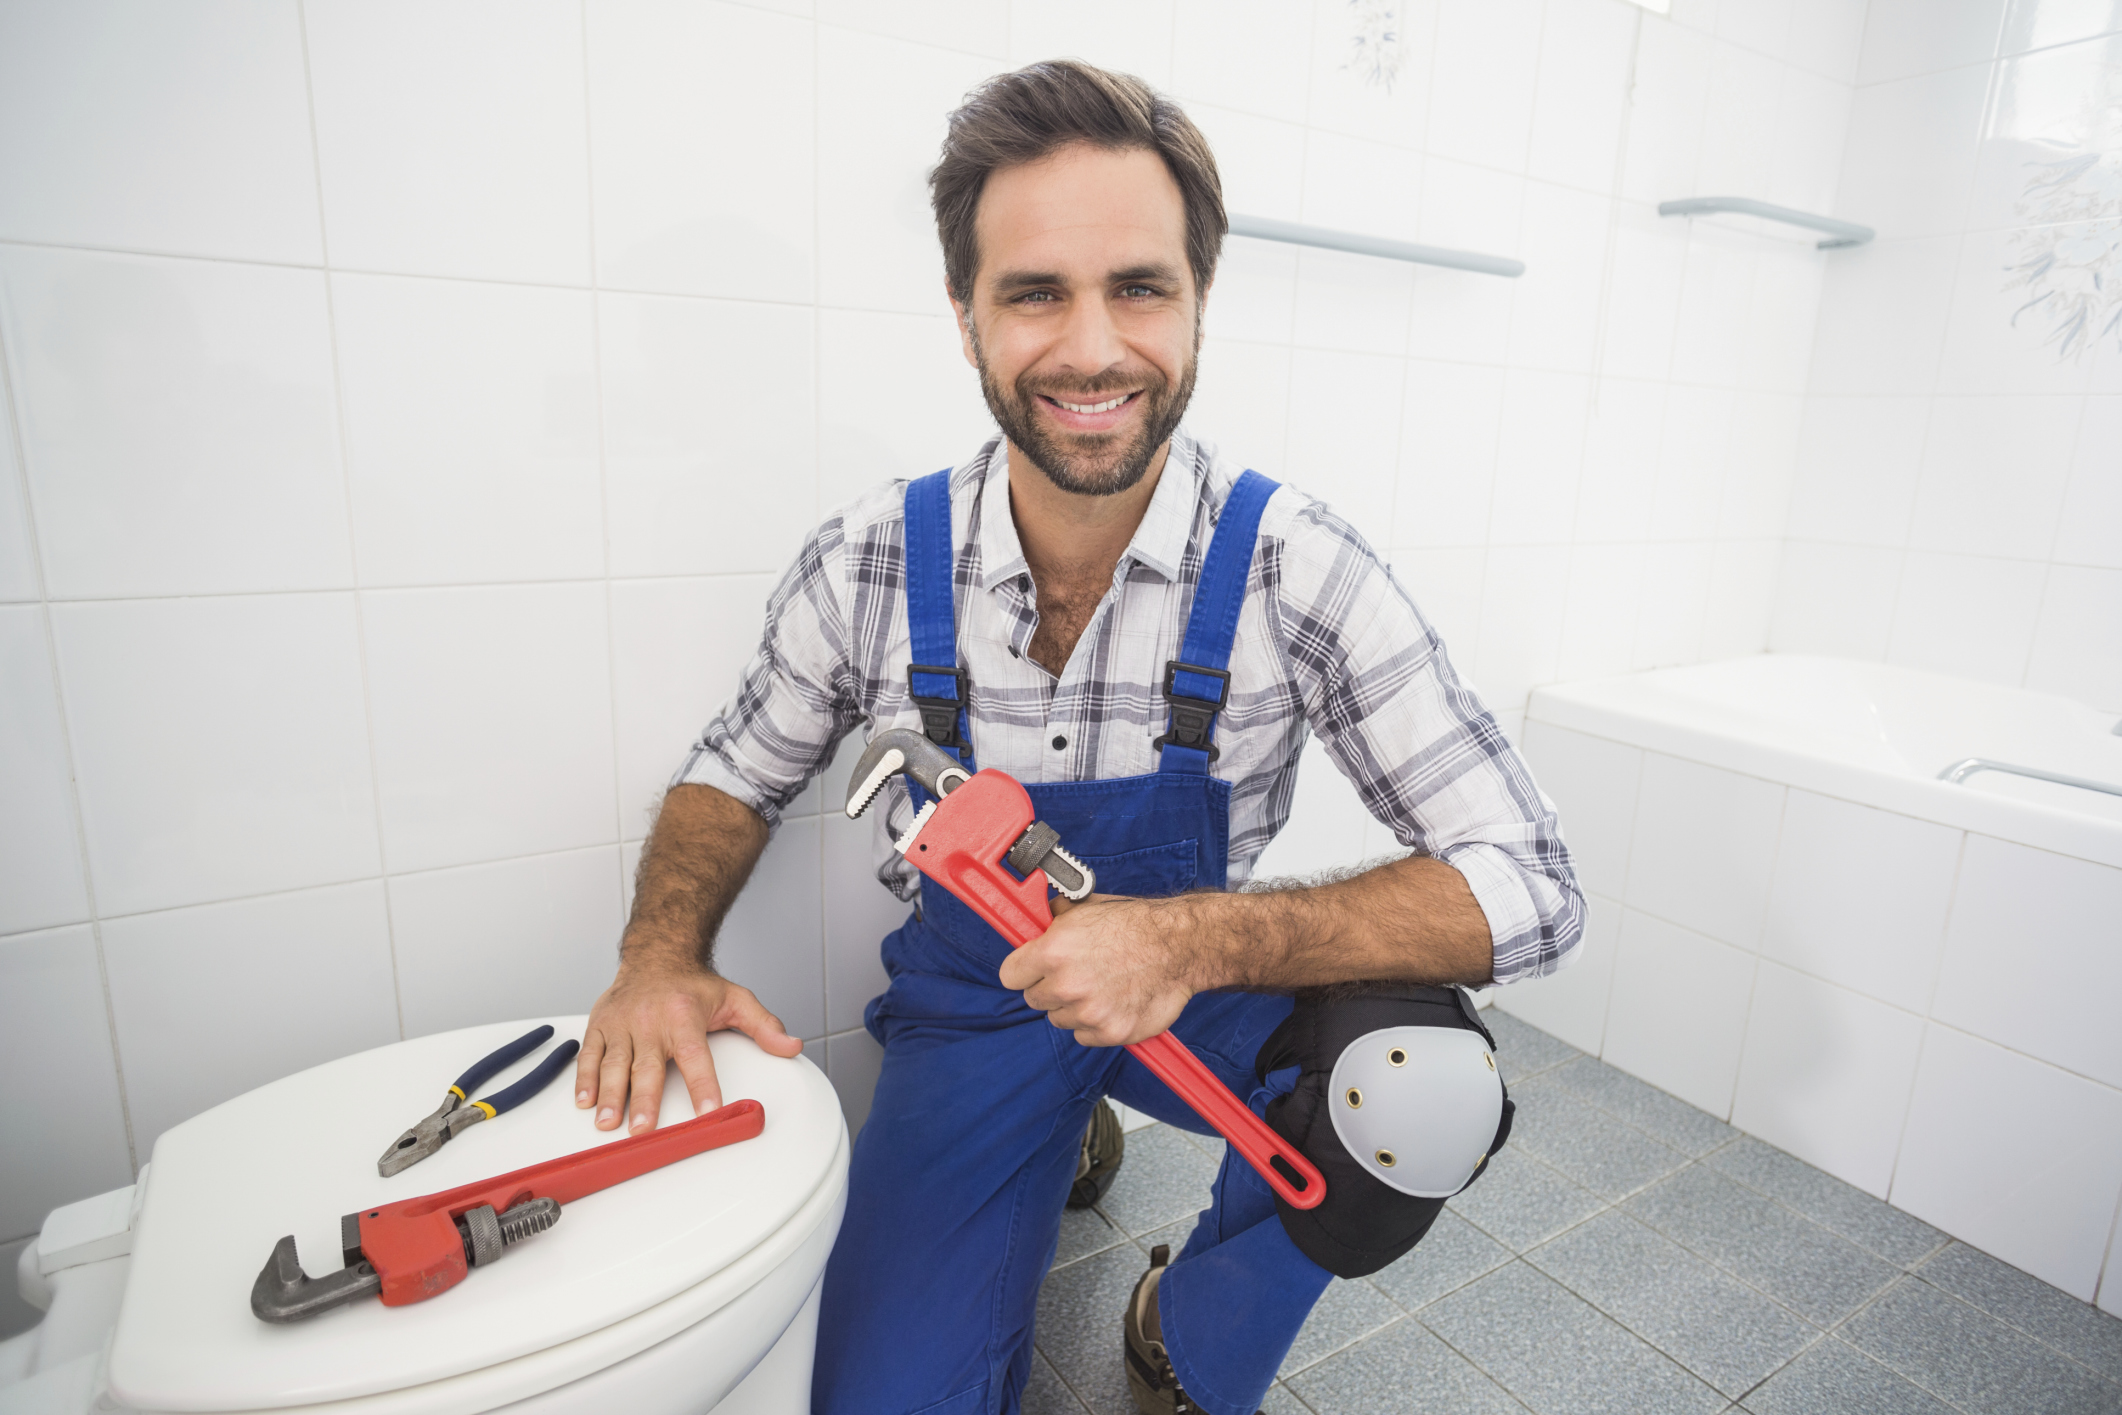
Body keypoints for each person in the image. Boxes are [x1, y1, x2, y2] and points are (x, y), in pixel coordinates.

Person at [574, 60, 1582, 1415]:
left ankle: (1186, 1325)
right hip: (976, 1010)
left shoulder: (1296, 567)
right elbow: (732, 772)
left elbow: (1530, 879)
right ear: (964, 314)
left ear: (1198, 302)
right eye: (1035, 291)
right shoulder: (872, 559)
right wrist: (657, 956)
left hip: (1201, 993)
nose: (1092, 347)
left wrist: (1183, 941)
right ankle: (1064, 1128)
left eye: (1139, 288)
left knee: (1420, 1088)